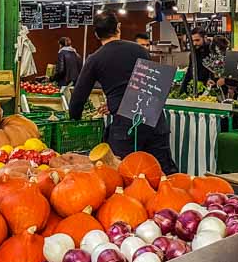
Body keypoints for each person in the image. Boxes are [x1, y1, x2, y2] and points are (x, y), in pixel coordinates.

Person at [69, 12, 177, 173]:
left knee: (124, 175)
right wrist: (115, 102)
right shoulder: (140, 51)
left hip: (126, 127)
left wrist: (75, 116)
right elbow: (148, 84)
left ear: (97, 34)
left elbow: (78, 97)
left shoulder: (95, 59)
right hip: (153, 119)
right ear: (118, 28)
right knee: (162, 173)